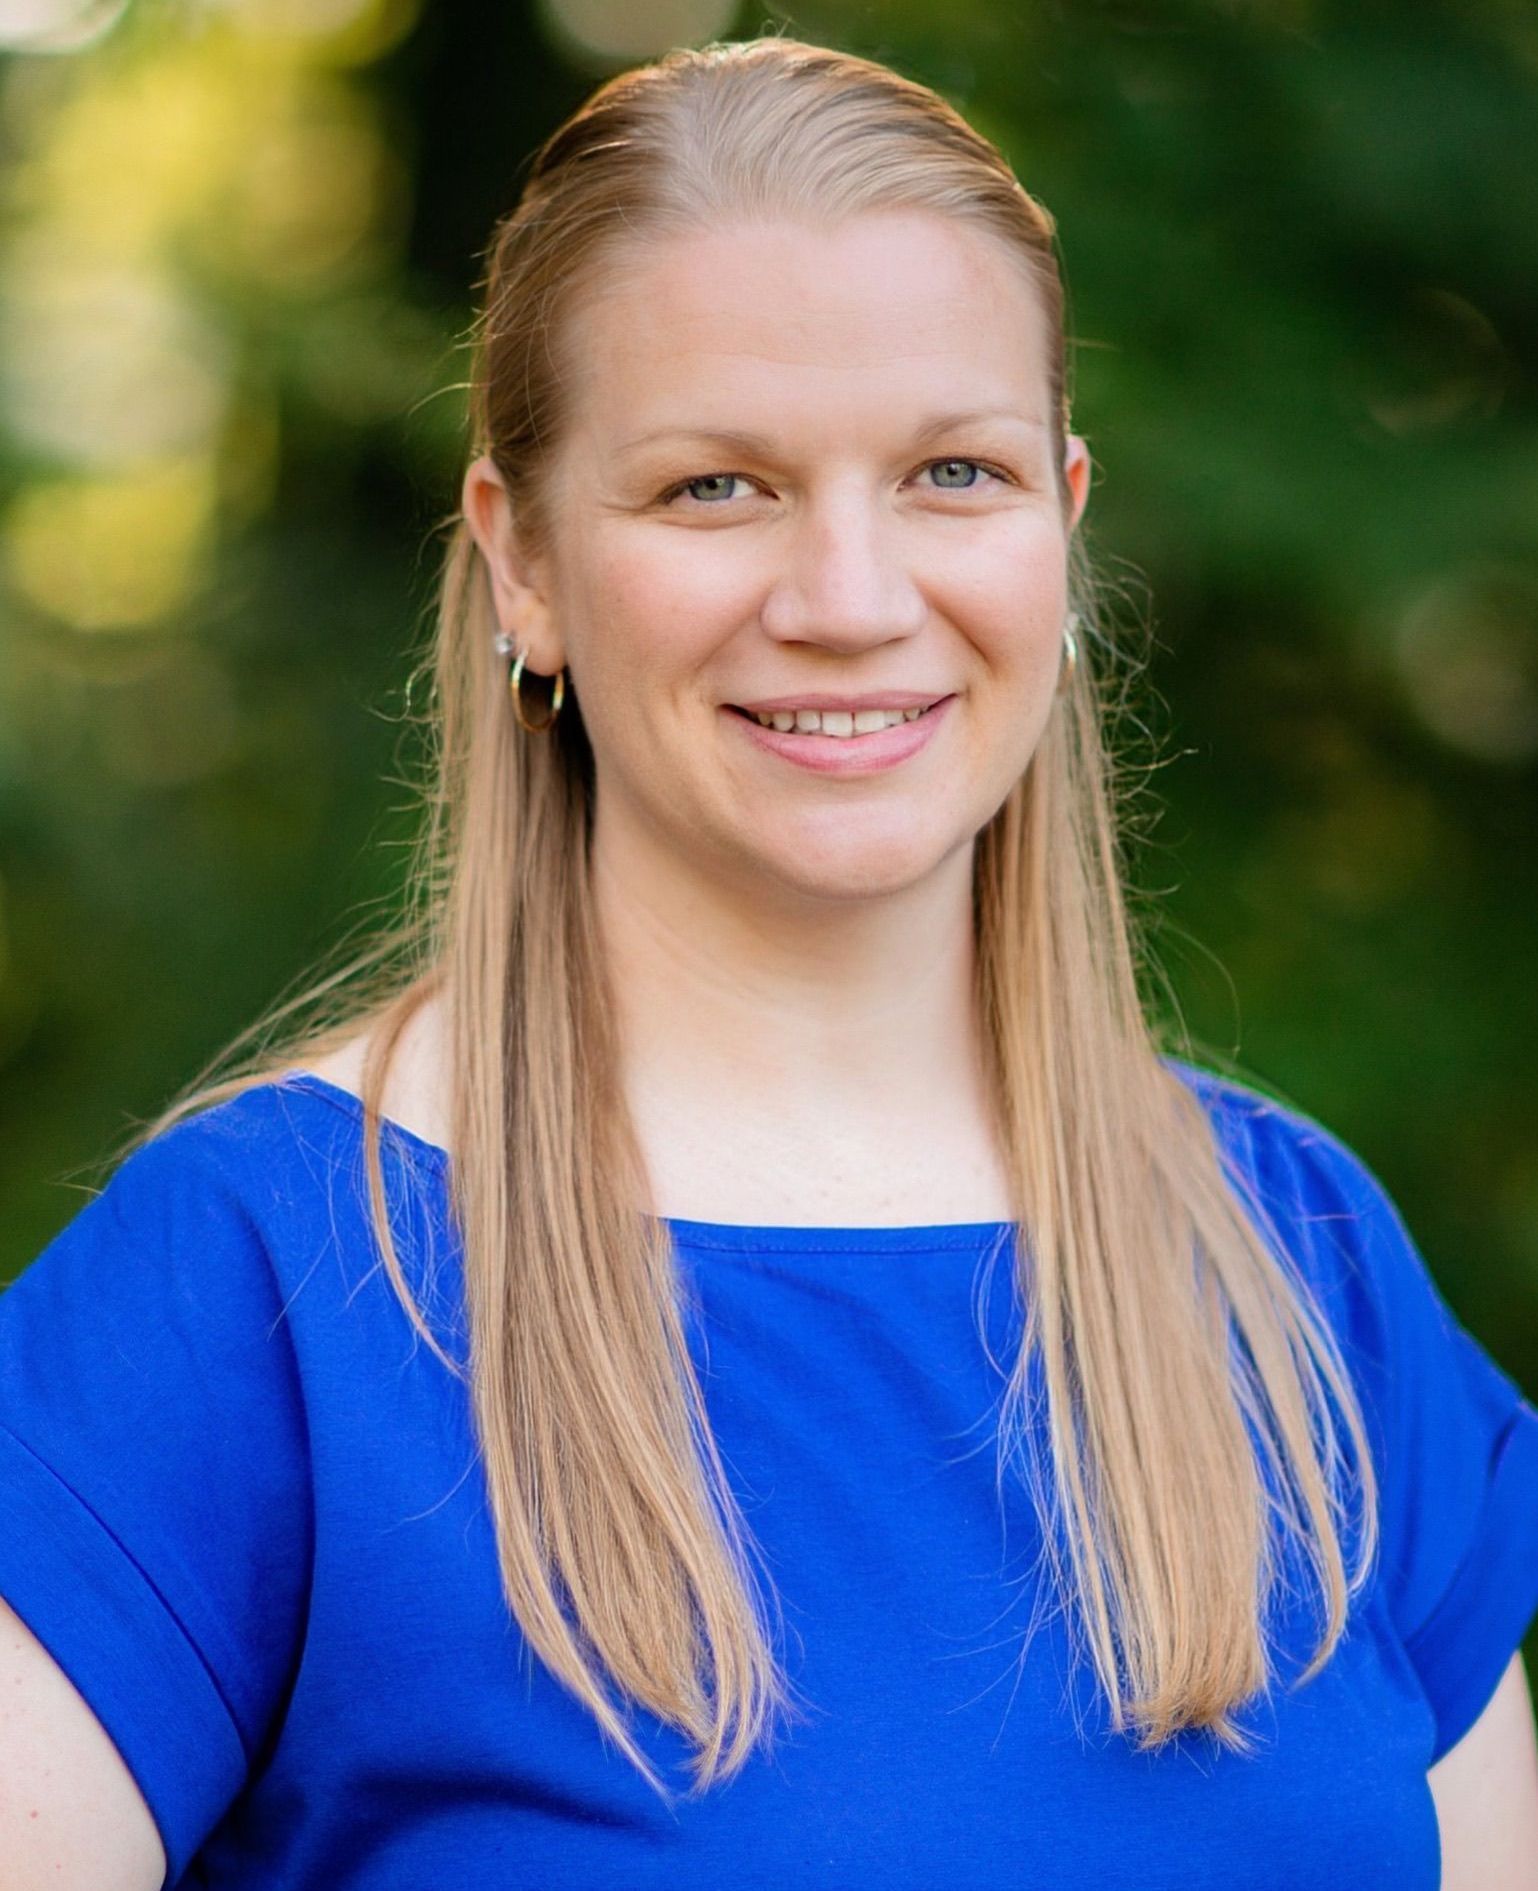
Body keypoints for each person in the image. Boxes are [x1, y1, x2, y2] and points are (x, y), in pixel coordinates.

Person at [2, 33, 1536, 1890]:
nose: (848, 598)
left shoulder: (1305, 1271)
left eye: (950, 474)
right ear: (526, 564)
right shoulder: (253, 1289)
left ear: (1061, 516)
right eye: (715, 488)